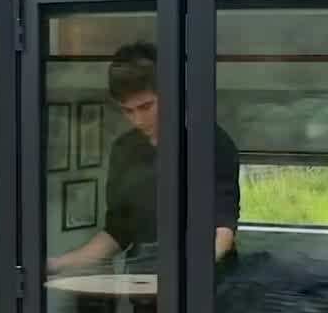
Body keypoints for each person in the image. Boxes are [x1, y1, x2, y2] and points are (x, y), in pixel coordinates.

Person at [48, 41, 240, 280]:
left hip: (207, 294)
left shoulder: (210, 143)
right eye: (128, 111)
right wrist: (59, 264)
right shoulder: (125, 149)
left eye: (146, 106)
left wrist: (187, 276)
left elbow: (222, 230)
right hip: (144, 291)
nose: (138, 120)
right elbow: (118, 232)